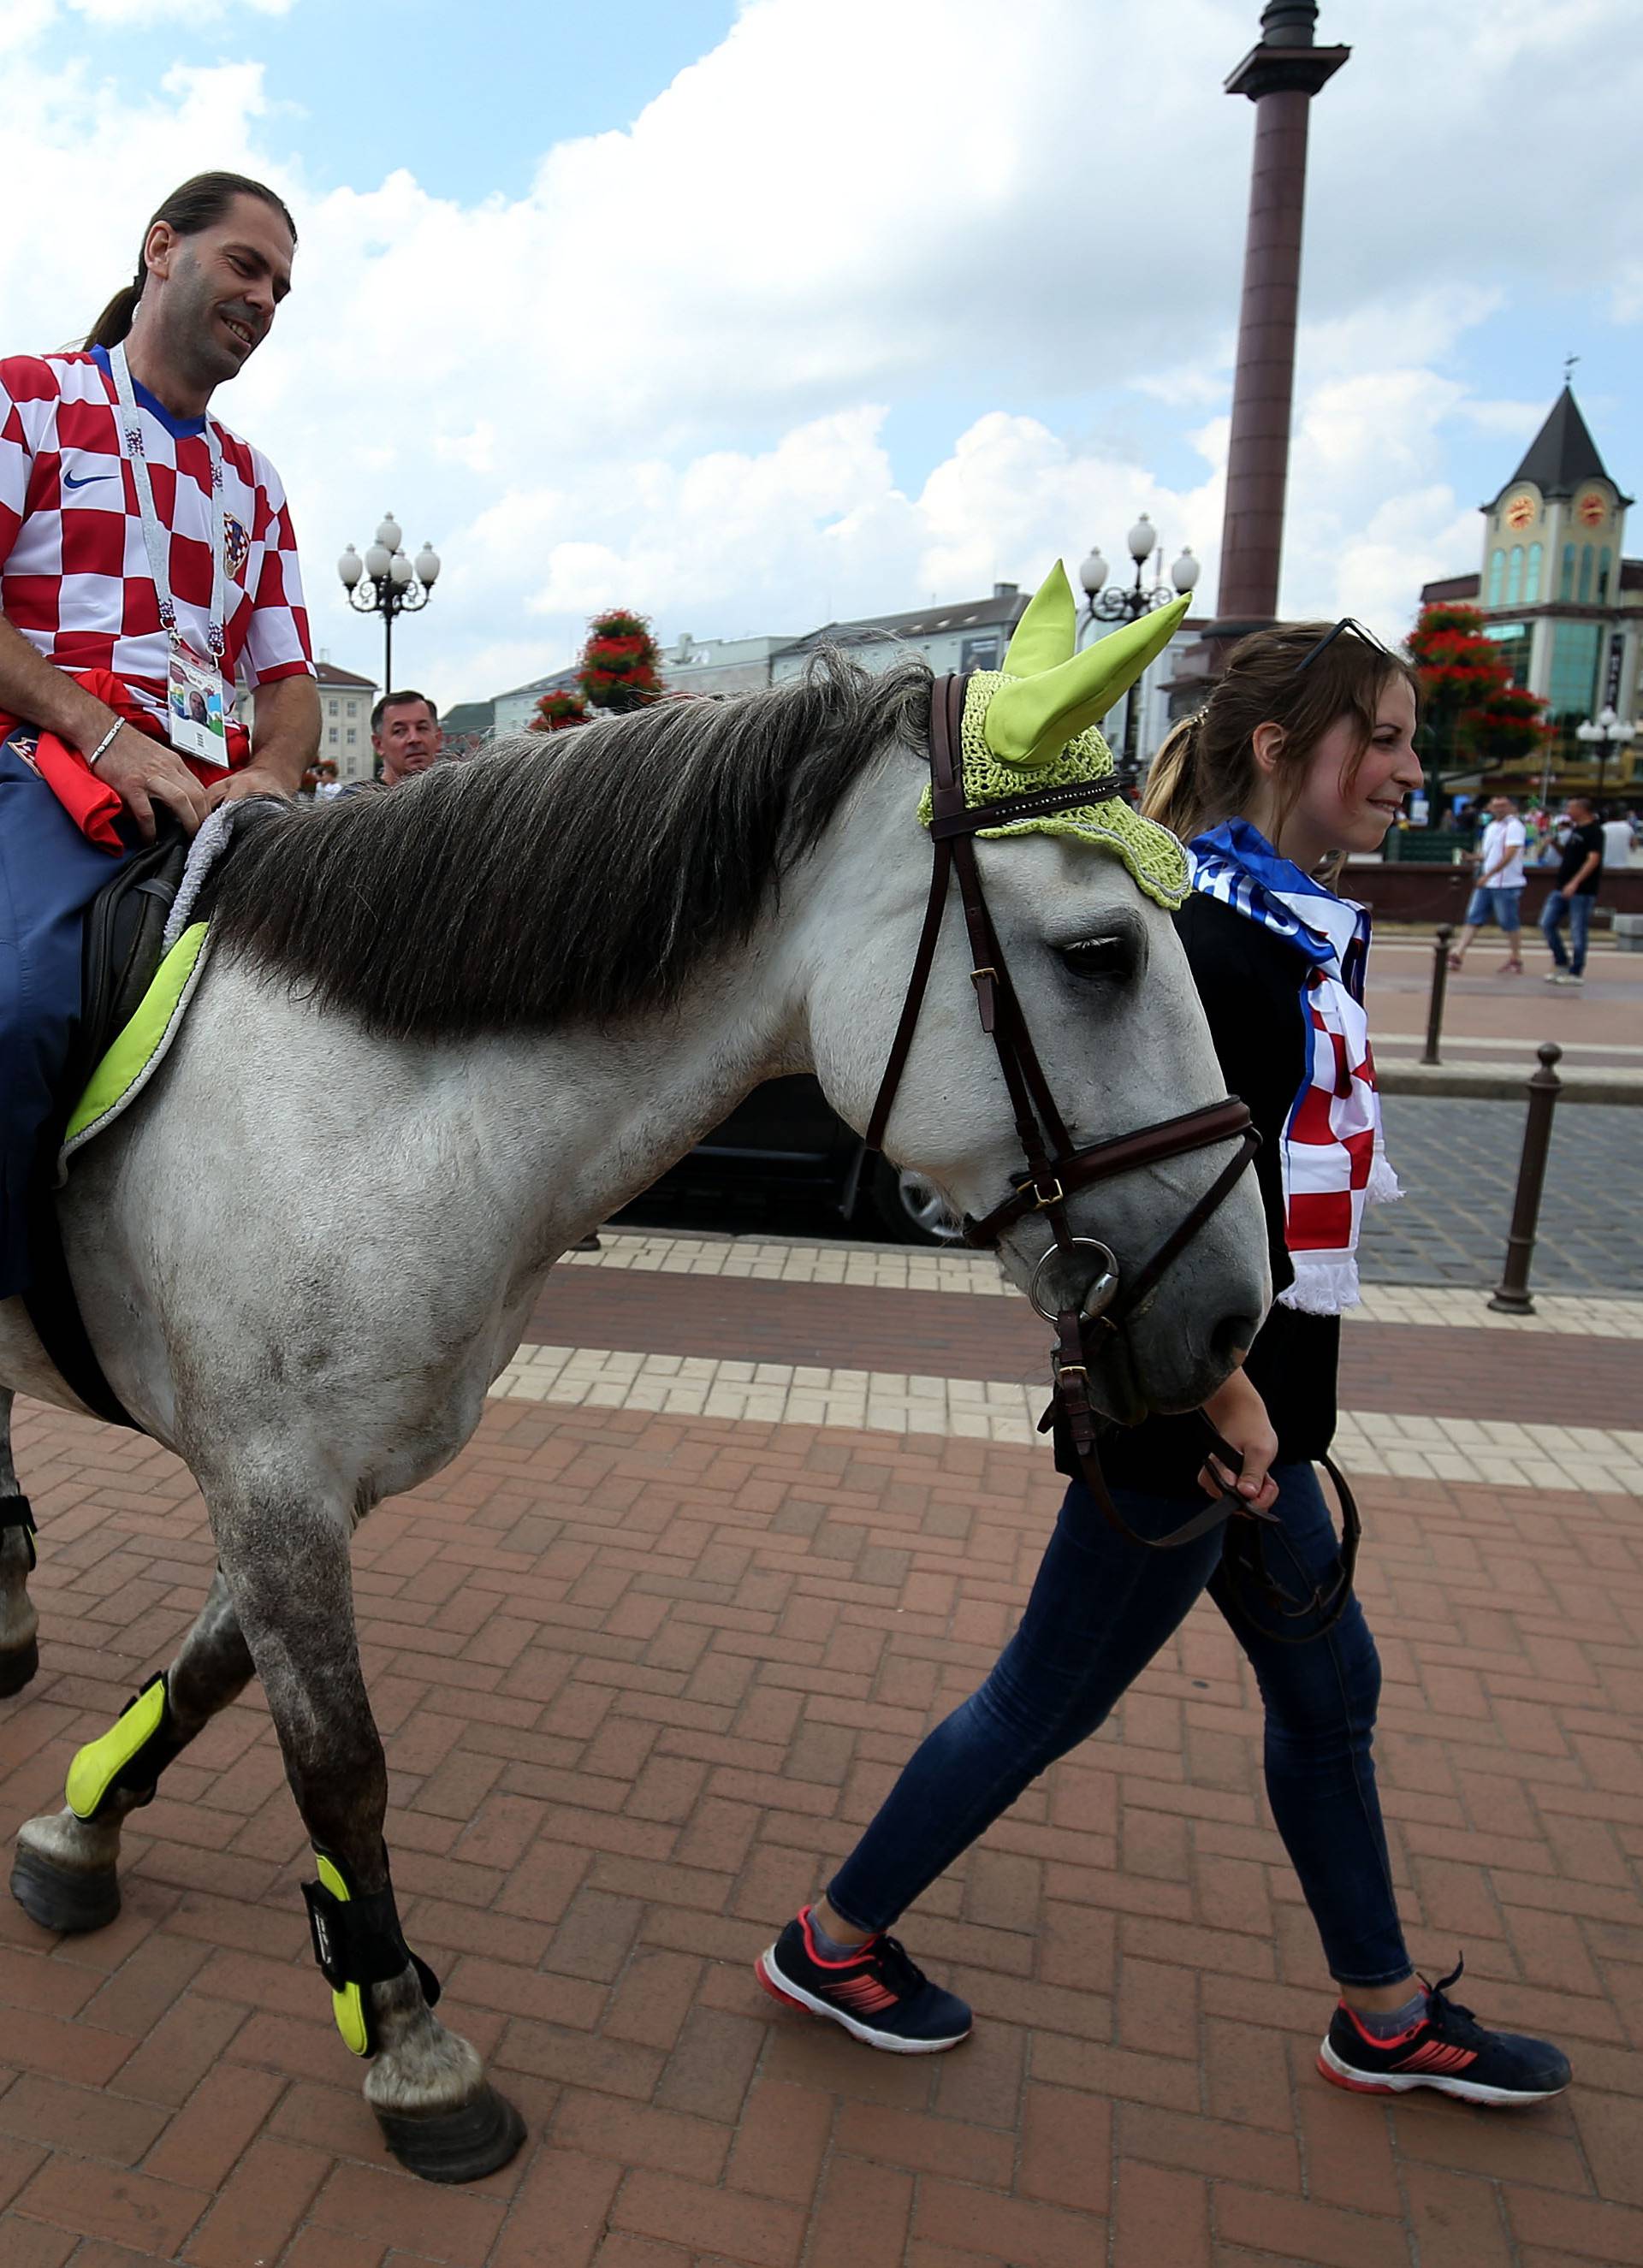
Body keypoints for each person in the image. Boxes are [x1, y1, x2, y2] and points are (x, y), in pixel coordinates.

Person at [756, 620, 1571, 2109]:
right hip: (1194, 1427)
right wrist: (1235, 1406)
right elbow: (1135, 1217)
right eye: (1377, 737)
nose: (1407, 764)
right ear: (1281, 748)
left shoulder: (1282, 930)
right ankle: (834, 1937)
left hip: (1253, 1431)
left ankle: (1382, 2009)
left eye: (1405, 737)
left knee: (1331, 1695)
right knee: (1041, 1704)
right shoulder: (1215, 948)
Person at [0, 171, 318, 1302]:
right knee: (22, 1002)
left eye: (281, 286)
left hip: (215, 803)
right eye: (246, 264)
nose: (265, 297)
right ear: (160, 249)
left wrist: (273, 773)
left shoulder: (253, 483)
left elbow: (286, 680)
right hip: (44, 770)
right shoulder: (28, 398)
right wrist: (100, 734)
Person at [1448, 793, 1527, 975]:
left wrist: (1490, 874)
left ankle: (1516, 958)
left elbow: (1510, 854)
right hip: (1487, 881)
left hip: (1505, 883)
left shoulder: (1514, 827)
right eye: (1496, 806)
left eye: (1503, 806)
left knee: (1509, 921)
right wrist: (1472, 857)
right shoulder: (1492, 827)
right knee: (1473, 918)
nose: (1499, 809)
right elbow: (1489, 854)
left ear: (1511, 808)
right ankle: (1458, 953)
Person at [1540, 795, 1604, 986]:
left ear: (1582, 809)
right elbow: (1568, 855)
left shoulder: (1594, 832)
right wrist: (1554, 844)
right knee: (1547, 923)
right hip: (1561, 885)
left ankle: (1576, 971)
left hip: (1582, 890)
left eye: (1570, 807)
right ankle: (1561, 962)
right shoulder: (1575, 830)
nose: (1567, 811)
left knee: (1578, 929)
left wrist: (1575, 882)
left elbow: (1593, 859)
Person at [371, 690, 442, 784]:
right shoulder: (356, 797)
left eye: (421, 728)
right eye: (400, 731)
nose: (414, 739)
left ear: (438, 738)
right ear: (379, 745)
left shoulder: (458, 796)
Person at [1600, 805, 1635, 872]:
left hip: (1605, 866)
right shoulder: (1628, 827)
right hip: (1623, 866)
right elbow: (1634, 845)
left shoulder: (1603, 828)